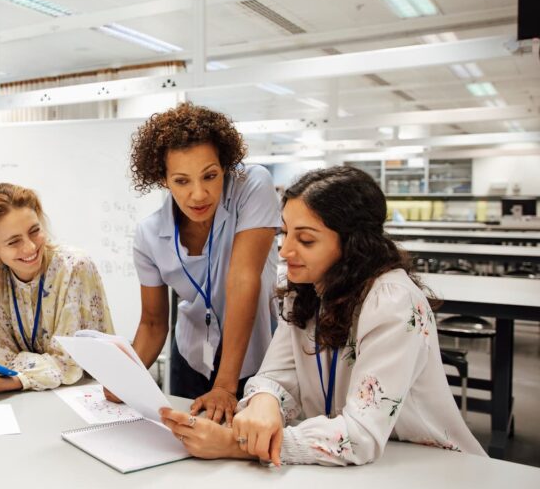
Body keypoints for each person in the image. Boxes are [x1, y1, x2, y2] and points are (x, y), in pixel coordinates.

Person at [159, 166, 486, 465]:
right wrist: (264, 401)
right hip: (347, 470)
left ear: (352, 244)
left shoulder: (392, 303)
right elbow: (276, 376)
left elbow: (360, 436)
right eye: (284, 233)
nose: (285, 251)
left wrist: (236, 443)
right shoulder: (306, 289)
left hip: (429, 468)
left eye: (305, 239)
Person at [127, 103, 279, 423]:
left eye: (209, 175)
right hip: (192, 358)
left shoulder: (252, 186)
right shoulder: (149, 234)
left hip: (254, 357)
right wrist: (125, 378)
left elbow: (243, 279)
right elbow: (153, 324)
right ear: (163, 179)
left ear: (225, 165)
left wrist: (225, 386)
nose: (198, 194)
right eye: (182, 181)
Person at [0, 183, 114, 394]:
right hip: (26, 396)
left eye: (35, 231)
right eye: (14, 242)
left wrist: (9, 380)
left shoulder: (74, 267)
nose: (31, 247)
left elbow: (68, 364)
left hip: (86, 396)